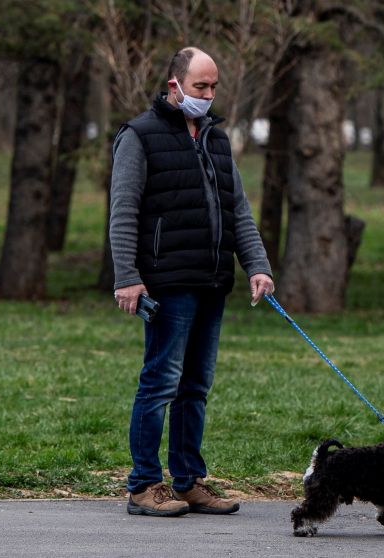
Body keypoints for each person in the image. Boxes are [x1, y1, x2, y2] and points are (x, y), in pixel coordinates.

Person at [110, 47, 274, 517]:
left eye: (214, 87)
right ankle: (144, 486)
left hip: (211, 280)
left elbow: (237, 210)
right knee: (161, 381)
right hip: (166, 282)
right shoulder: (139, 136)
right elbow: (123, 211)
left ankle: (188, 481)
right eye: (200, 87)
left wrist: (257, 265)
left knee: (196, 387)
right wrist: (128, 277)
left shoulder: (216, 140)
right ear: (174, 85)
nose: (208, 95)